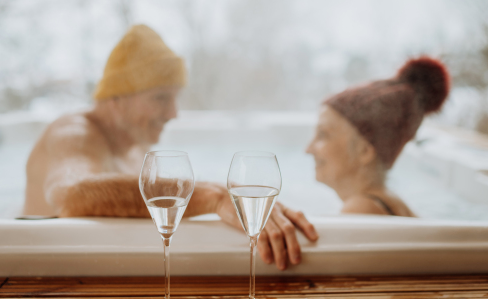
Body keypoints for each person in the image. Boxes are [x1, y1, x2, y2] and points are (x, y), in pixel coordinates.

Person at [23, 24, 318, 270]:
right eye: (161, 98)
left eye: (175, 99)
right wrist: (214, 197)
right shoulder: (73, 133)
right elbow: (73, 197)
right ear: (118, 96)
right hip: (36, 271)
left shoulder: (134, 147)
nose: (173, 113)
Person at [306, 57, 451, 216]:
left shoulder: (361, 209)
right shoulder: (385, 203)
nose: (308, 149)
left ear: (365, 151)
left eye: (323, 134)